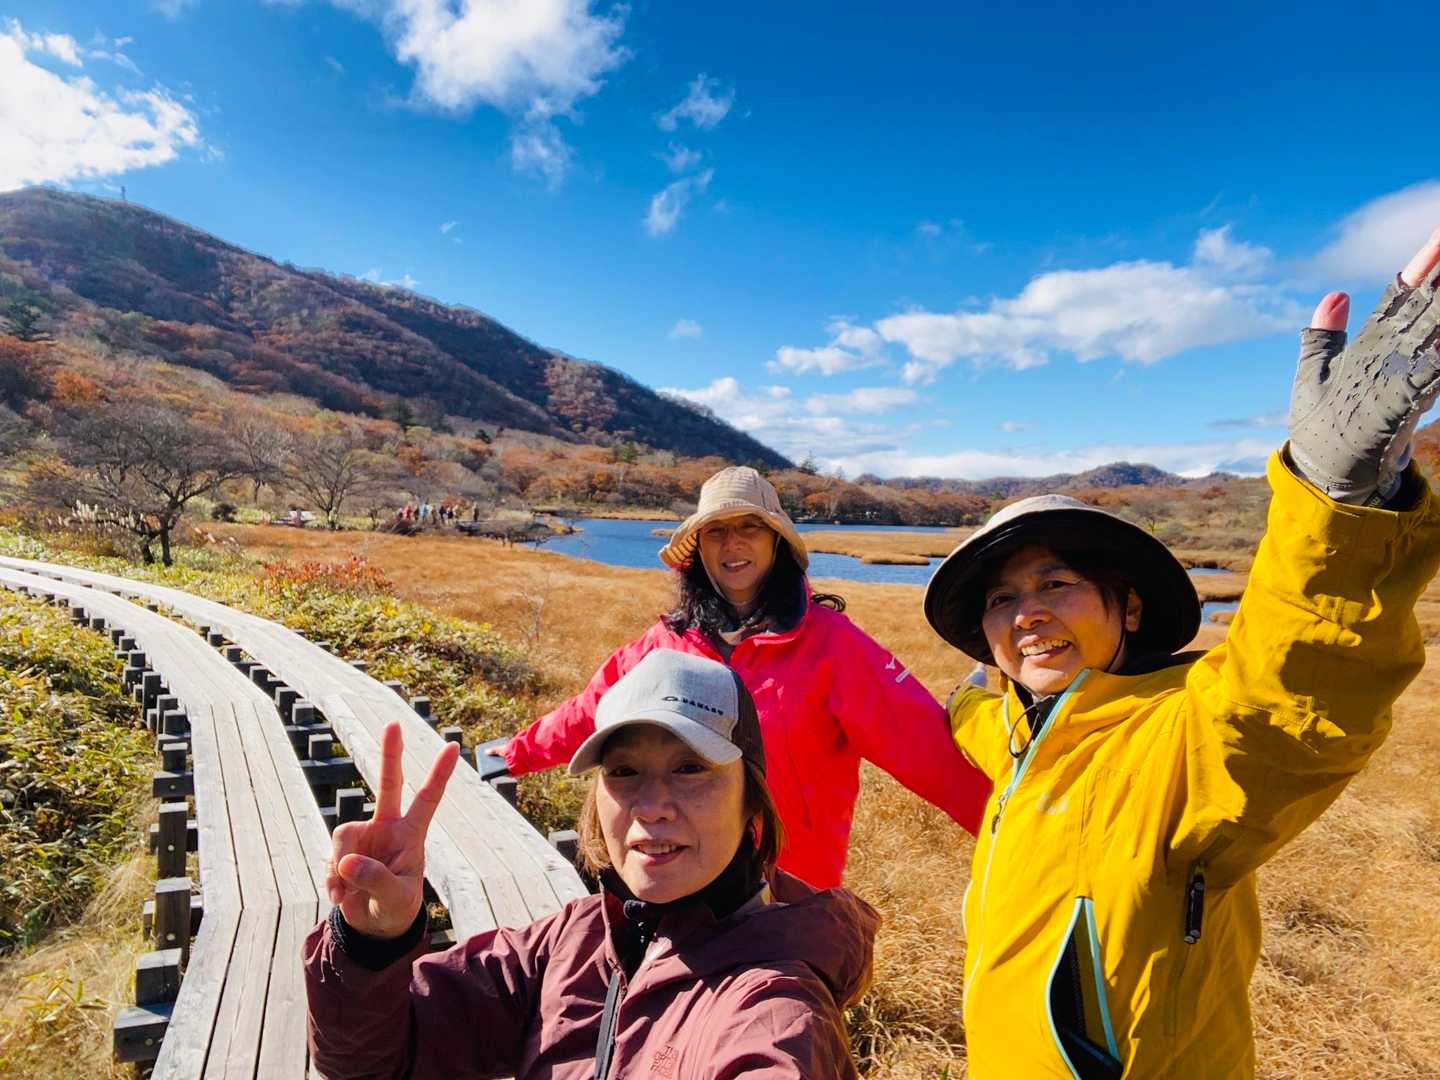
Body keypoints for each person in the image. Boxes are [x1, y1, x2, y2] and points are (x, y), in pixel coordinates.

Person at [922, 229, 1440, 1077]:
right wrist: (969, 697)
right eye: (1001, 600)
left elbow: (1283, 707)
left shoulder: (1180, 744)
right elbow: (984, 716)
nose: (1026, 615)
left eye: (1056, 584)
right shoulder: (1021, 737)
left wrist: (1335, 502)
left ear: (1128, 606)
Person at [305, 649, 878, 1078]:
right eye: (624, 772)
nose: (652, 806)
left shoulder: (774, 1009)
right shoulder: (572, 943)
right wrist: (372, 941)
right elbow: (373, 1061)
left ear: (752, 799)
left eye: (690, 768)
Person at [488, 465, 991, 887]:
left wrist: (1017, 829)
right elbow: (591, 709)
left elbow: (926, 749)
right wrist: (514, 754)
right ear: (698, 548)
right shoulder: (665, 644)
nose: (733, 543)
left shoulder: (833, 646)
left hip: (790, 886)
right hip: (684, 878)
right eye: (716, 531)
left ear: (776, 541)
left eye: (750, 527)